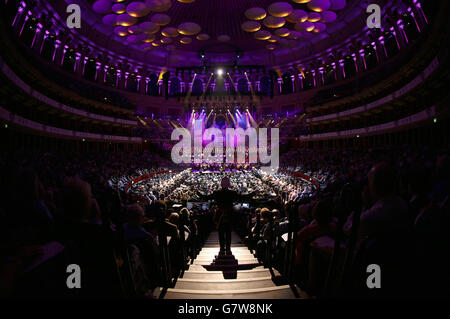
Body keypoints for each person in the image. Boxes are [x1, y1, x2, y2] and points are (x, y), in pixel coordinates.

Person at [198, 177, 254, 254]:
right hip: (230, 214)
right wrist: (253, 193)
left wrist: (198, 193)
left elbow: (205, 198)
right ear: (229, 184)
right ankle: (228, 249)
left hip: (219, 214)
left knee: (221, 232)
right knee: (228, 232)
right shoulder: (232, 193)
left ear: (221, 184)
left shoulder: (216, 192)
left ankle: (221, 249)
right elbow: (243, 198)